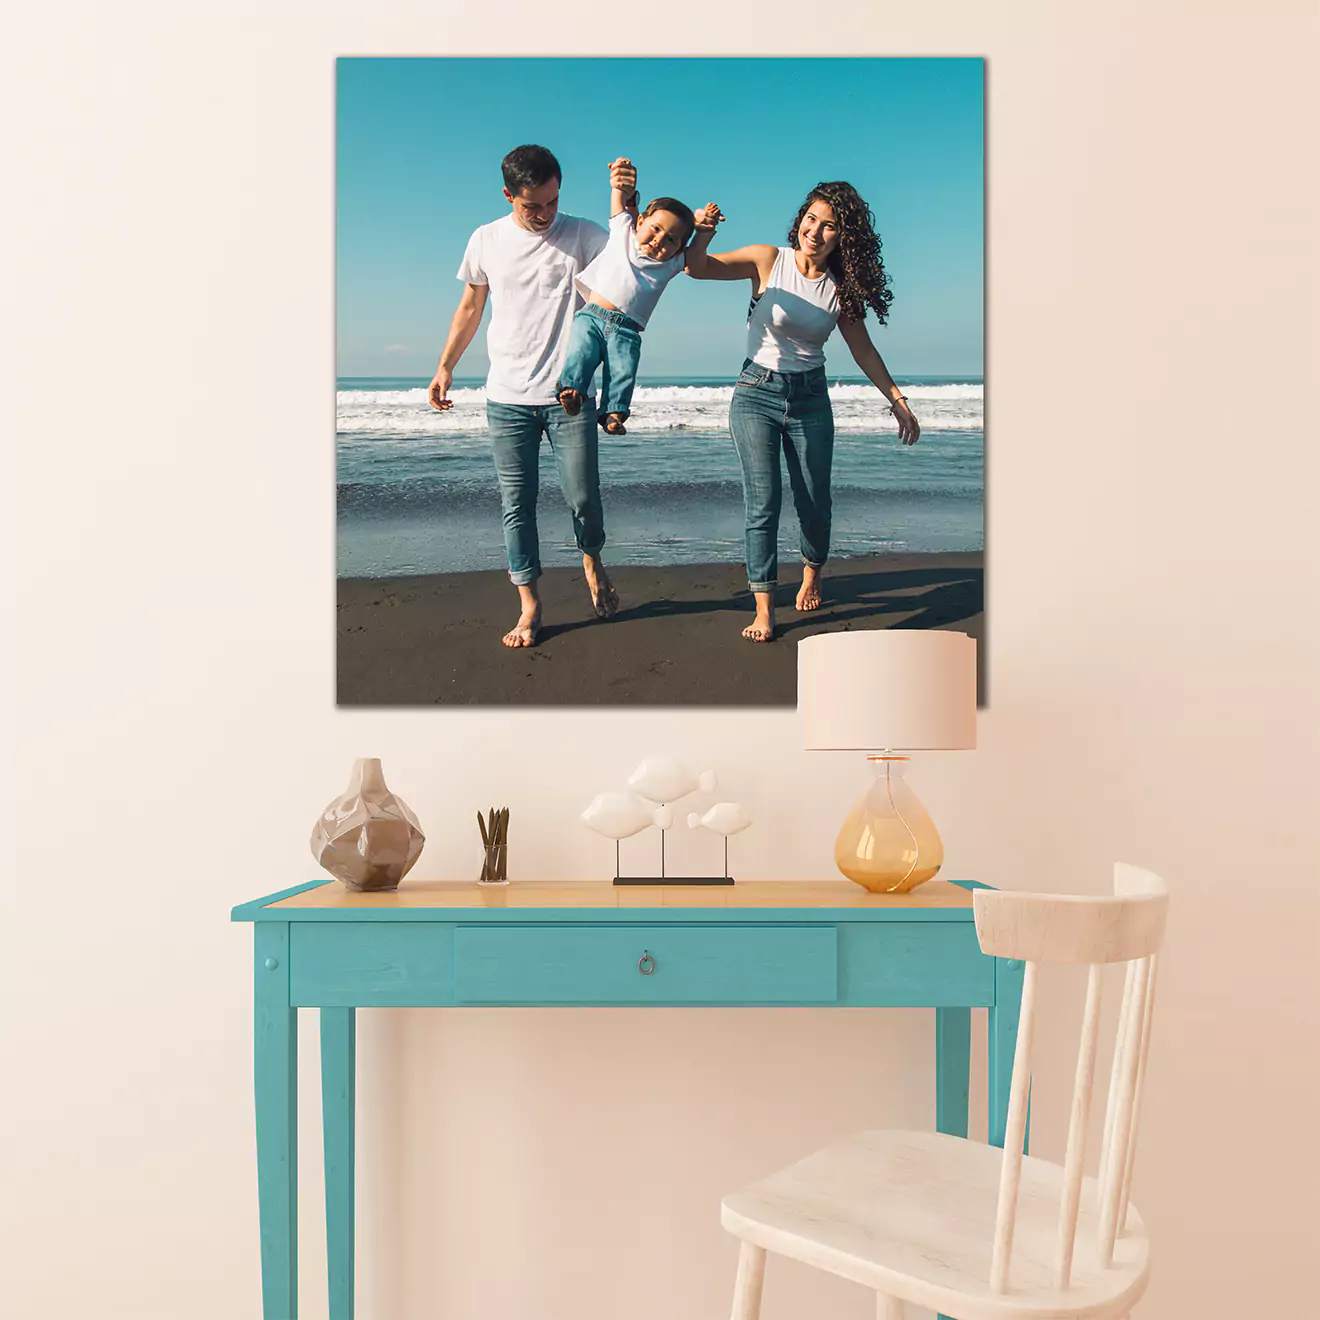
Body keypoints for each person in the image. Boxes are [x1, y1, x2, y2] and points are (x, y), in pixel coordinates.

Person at [685, 183, 921, 642]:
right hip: (756, 392)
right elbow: (698, 269)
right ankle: (763, 607)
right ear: (801, 220)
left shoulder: (841, 290)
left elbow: (863, 350)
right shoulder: (767, 260)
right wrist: (703, 233)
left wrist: (897, 399)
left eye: (829, 224)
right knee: (764, 502)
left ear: (842, 236)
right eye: (811, 218)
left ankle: (812, 573)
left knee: (814, 501)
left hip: (811, 397)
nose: (816, 230)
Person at [427, 144, 618, 649]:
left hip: (569, 396)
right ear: (509, 194)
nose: (545, 214)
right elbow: (470, 306)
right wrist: (446, 365)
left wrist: (623, 196)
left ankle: (592, 561)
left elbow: (628, 254)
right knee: (518, 503)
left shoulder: (583, 235)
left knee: (583, 498)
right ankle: (530, 605)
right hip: (507, 396)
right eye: (532, 205)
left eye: (553, 202)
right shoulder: (486, 239)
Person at [556, 157, 695, 436]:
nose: (658, 240)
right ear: (640, 220)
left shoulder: (671, 265)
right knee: (580, 353)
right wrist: (619, 180)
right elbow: (618, 200)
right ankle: (571, 391)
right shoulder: (623, 234)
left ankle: (613, 414)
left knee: (623, 371)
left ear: (679, 249)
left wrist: (705, 229)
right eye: (655, 229)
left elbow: (698, 252)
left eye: (670, 239)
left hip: (627, 330)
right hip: (592, 316)